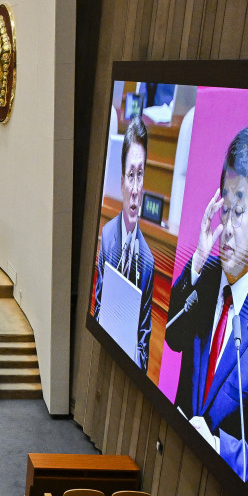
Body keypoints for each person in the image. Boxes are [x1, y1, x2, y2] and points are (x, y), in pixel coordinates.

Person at [165, 127, 248, 496]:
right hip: (172, 463)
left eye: (239, 212)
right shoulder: (205, 279)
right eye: (226, 210)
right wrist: (198, 261)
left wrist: (219, 447)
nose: (228, 229)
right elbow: (173, 337)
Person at [93, 116, 155, 371]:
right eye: (131, 175)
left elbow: (144, 341)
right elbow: (97, 306)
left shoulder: (148, 261)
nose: (136, 187)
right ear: (121, 181)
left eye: (140, 175)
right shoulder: (107, 237)